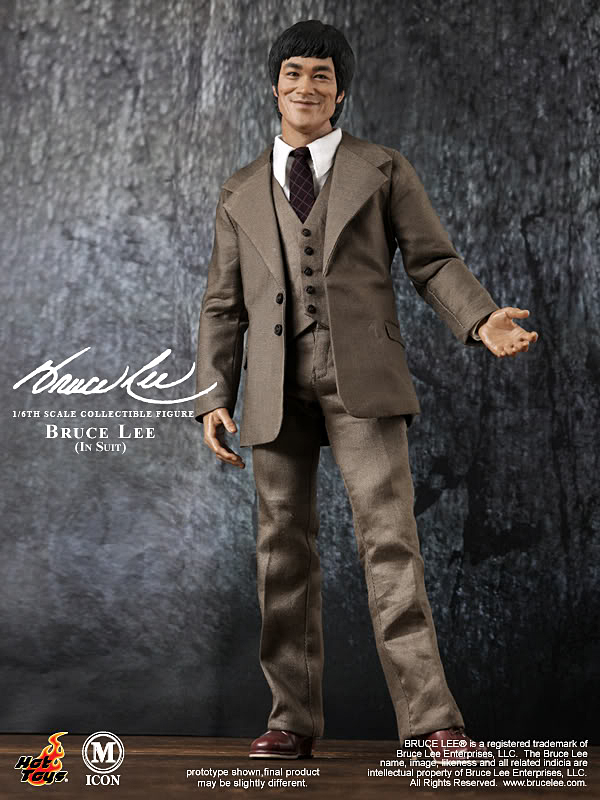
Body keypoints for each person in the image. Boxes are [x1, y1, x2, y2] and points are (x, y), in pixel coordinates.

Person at [193, 19, 538, 761]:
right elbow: (221, 304)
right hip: (274, 388)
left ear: (340, 91)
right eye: (293, 73)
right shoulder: (239, 190)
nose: (306, 86)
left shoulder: (381, 169)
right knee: (281, 551)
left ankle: (432, 722)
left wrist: (479, 319)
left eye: (321, 75)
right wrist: (213, 394)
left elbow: (431, 260)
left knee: (390, 543)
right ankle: (290, 719)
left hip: (365, 379)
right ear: (274, 86)